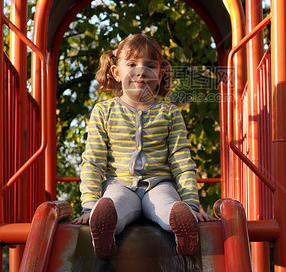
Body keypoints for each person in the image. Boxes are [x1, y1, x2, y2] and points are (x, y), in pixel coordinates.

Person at [72, 34, 213, 259]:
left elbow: (181, 159)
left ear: (159, 74)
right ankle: (103, 235)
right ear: (116, 72)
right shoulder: (104, 111)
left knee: (169, 206)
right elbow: (94, 161)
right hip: (119, 185)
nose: (141, 70)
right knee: (112, 206)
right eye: (132, 64)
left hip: (159, 184)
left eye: (150, 65)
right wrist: (90, 205)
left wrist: (191, 204)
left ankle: (185, 232)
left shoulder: (169, 113)